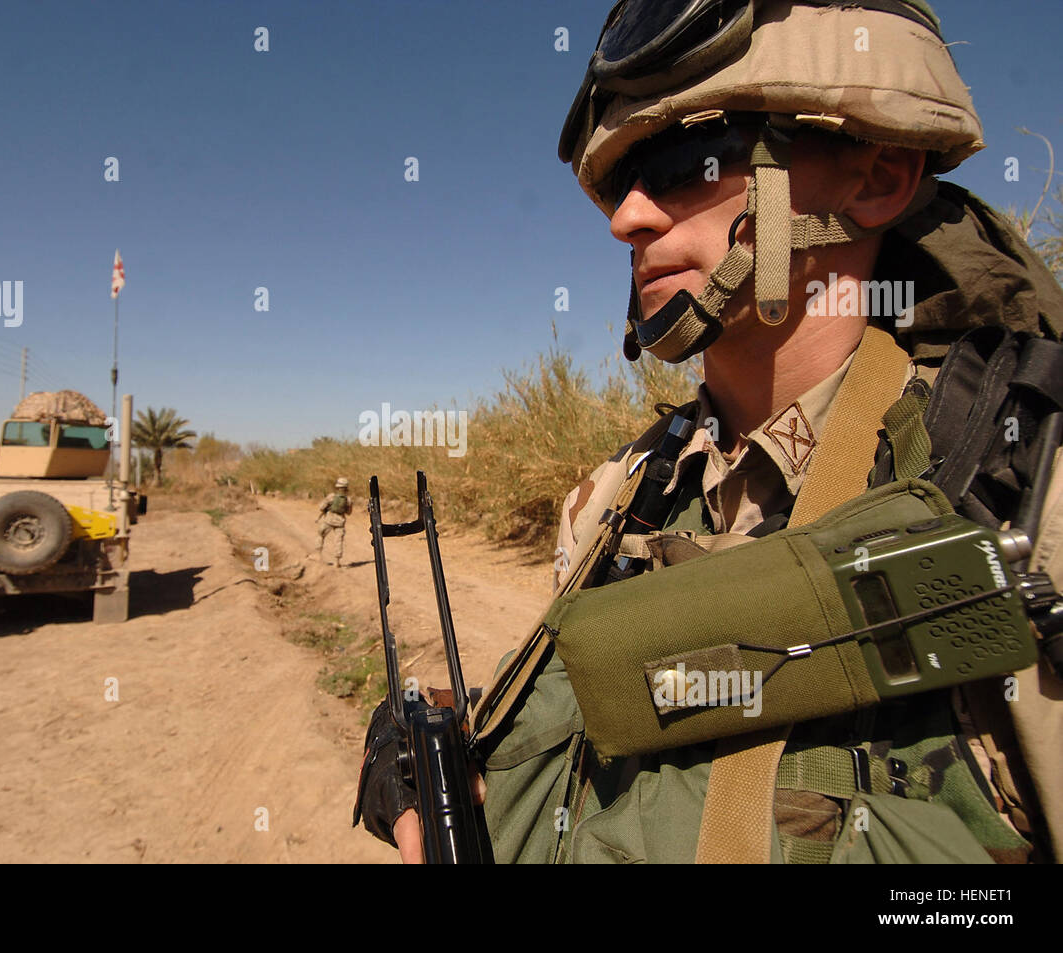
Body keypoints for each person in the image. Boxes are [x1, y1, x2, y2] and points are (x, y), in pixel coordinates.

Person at [357, 0, 1063, 864]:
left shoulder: (1023, 495)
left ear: (878, 177)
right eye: (622, 183)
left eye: (691, 158)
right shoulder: (618, 496)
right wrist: (435, 753)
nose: (628, 220)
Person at [316, 477, 352, 568]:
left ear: (337, 487)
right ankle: (337, 561)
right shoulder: (348, 500)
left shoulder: (331, 496)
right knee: (338, 541)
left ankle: (318, 555)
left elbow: (321, 507)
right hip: (340, 522)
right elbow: (349, 513)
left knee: (320, 535)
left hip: (329, 520)